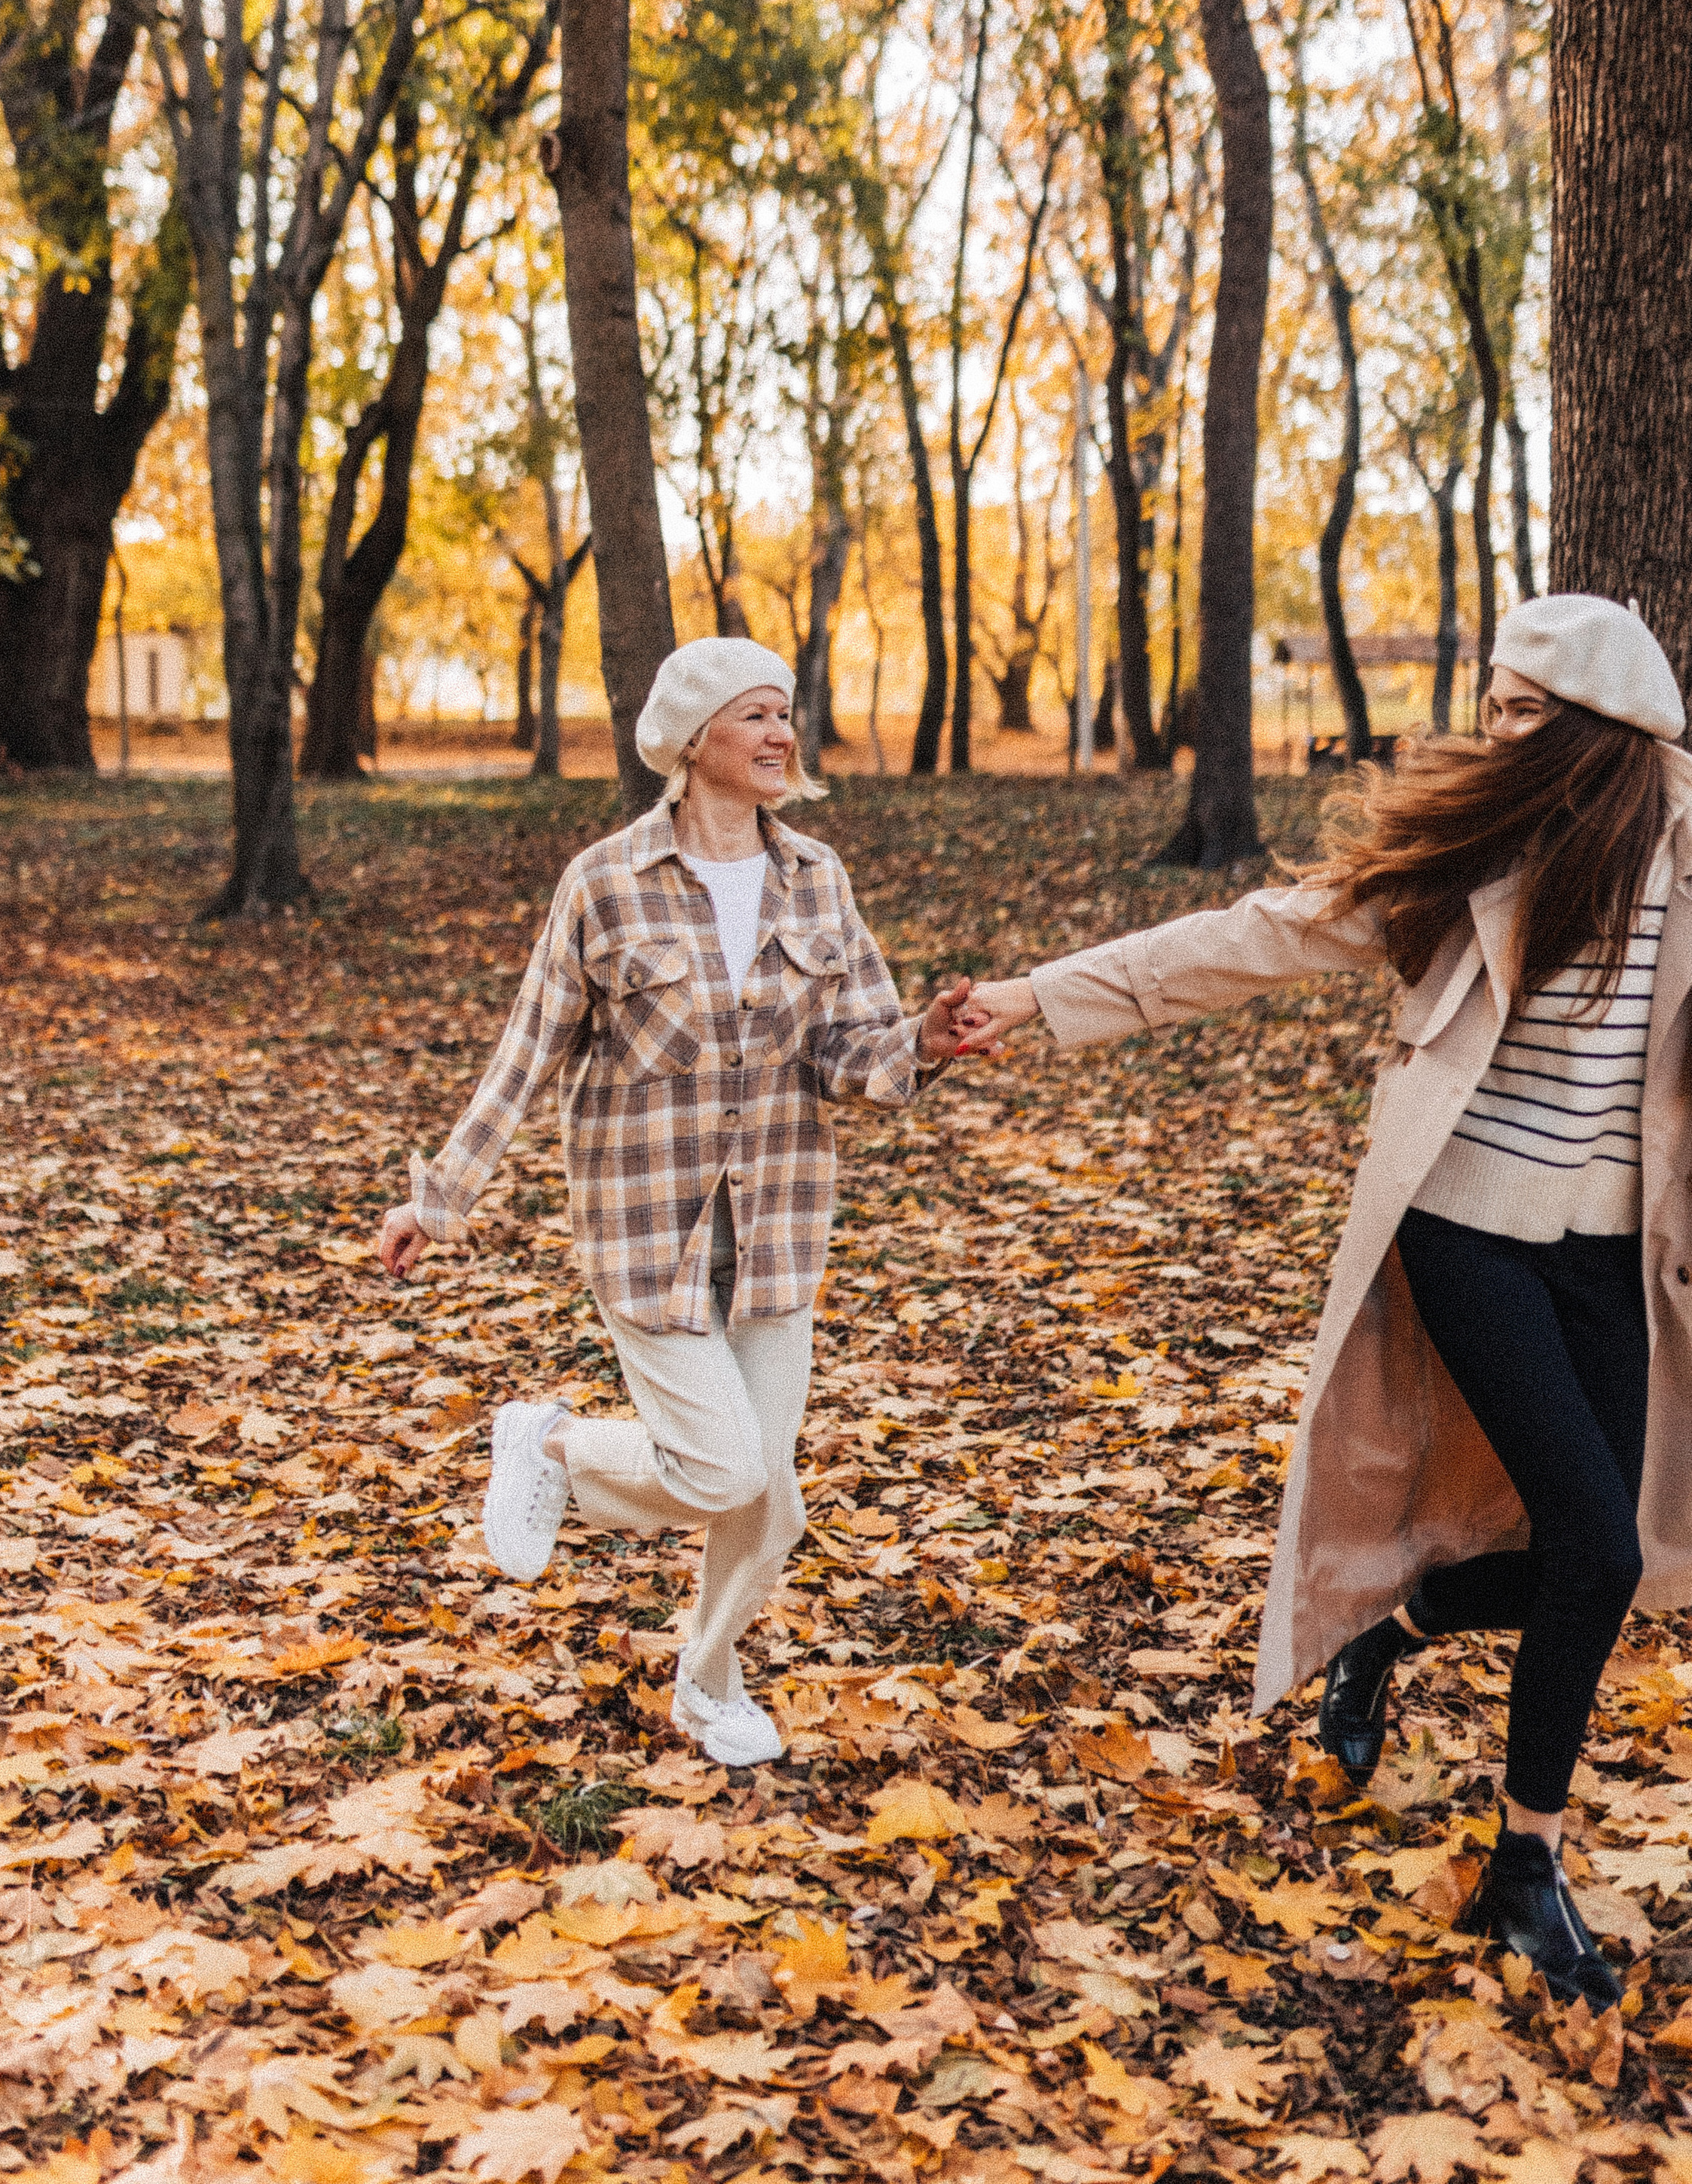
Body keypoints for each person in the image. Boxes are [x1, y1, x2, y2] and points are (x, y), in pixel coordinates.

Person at [955, 595, 1692, 2012]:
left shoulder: (1679, 832)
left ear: (1604, 724)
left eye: (1522, 710)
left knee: (1609, 1555)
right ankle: (1524, 1872)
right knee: (1599, 1543)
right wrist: (1038, 999)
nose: (1492, 733)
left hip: (1615, 1254)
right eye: (1491, 705)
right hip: (1466, 1230)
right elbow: (1258, 937)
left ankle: (1394, 1631)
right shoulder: (1475, 840)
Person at [378, 638, 970, 1768]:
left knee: (772, 1504)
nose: (779, 736)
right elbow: (530, 1049)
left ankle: (706, 1682)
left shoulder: (818, 879)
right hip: (647, 1224)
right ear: (694, 739)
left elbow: (854, 1052)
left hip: (779, 1225)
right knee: (722, 1470)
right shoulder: (606, 880)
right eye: (754, 716)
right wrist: (440, 1200)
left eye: (785, 714)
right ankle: (550, 1442)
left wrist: (924, 1043)